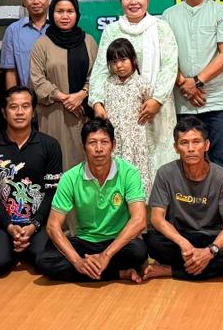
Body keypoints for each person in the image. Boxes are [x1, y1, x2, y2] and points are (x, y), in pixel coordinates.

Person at [89, 0, 179, 186]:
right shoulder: (112, 30)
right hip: (121, 113)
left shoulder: (161, 28)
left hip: (157, 109)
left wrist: (156, 100)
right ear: (120, 0)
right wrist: (97, 102)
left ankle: (157, 207)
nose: (133, 2)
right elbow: (101, 69)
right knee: (124, 169)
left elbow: (169, 66)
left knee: (158, 167)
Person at [36, 119, 149, 283]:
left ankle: (95, 269)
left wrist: (106, 255)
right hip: (85, 242)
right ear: (83, 147)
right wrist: (77, 261)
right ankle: (118, 273)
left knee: (139, 251)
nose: (99, 149)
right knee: (44, 260)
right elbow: (53, 226)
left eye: (104, 142)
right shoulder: (70, 177)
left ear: (113, 145)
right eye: (92, 143)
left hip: (117, 242)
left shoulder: (129, 172)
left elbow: (139, 220)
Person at [145, 117, 223, 281]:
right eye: (184, 143)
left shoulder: (222, 177)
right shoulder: (165, 173)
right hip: (179, 236)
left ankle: (171, 270)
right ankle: (212, 268)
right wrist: (183, 243)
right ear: (176, 147)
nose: (191, 149)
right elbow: (157, 218)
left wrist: (209, 252)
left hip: (210, 237)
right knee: (151, 240)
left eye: (196, 142)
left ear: (206, 145)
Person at [0, 87, 63, 276]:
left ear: (33, 111)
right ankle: (16, 246)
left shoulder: (50, 145)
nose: (19, 112)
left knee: (44, 261)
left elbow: (52, 193)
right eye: (13, 107)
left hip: (39, 222)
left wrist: (34, 225)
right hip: (4, 222)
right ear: (4, 112)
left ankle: (25, 247)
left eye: (25, 106)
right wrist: (9, 226)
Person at [163, 0, 223, 175]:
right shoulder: (168, 16)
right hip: (183, 103)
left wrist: (195, 82)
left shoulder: (220, 11)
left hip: (217, 102)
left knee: (221, 162)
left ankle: (222, 200)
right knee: (189, 162)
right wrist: (184, 84)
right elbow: (165, 58)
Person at [29, 0, 96, 169]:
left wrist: (81, 95)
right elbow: (37, 79)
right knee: (56, 162)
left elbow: (97, 75)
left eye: (70, 11)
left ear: (77, 14)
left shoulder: (89, 41)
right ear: (52, 14)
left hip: (83, 114)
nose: (65, 16)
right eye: (60, 11)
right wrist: (65, 98)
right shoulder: (42, 44)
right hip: (53, 114)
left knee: (84, 162)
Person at [92, 38, 159, 193]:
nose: (119, 65)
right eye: (114, 62)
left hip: (135, 140)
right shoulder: (107, 84)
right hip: (114, 138)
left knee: (135, 175)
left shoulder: (142, 84)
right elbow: (97, 100)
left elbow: (150, 109)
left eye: (123, 60)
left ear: (133, 59)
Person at [0, 0, 50, 89]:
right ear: (24, 0)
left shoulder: (58, 28)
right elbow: (10, 72)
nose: (36, 1)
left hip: (58, 96)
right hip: (27, 97)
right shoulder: (13, 31)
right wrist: (12, 98)